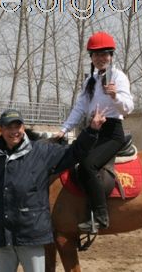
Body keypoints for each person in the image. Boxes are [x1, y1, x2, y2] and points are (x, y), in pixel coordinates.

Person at [0, 107, 106, 272]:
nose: (14, 131)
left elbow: (74, 153)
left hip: (31, 236)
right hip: (2, 237)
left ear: (23, 128)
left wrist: (92, 130)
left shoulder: (41, 151)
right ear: (1, 130)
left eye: (17, 126)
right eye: (9, 127)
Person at [55, 31, 134, 233]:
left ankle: (100, 216)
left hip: (112, 132)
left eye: (105, 54)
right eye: (96, 55)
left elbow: (128, 108)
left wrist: (115, 95)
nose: (100, 58)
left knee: (88, 166)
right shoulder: (89, 80)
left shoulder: (118, 77)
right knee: (71, 159)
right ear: (91, 57)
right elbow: (80, 108)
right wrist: (64, 130)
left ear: (111, 56)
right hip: (92, 130)